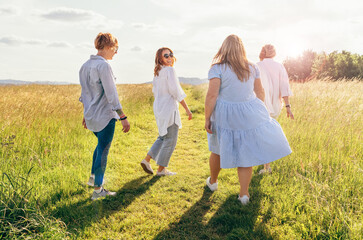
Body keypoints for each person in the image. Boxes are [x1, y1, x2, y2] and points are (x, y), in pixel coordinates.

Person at [204, 35, 292, 205]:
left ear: (224, 48)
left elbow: (212, 95)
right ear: (242, 48)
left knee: (217, 148)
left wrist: (207, 117)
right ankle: (244, 195)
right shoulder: (252, 67)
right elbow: (260, 93)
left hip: (225, 114)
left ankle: (213, 182)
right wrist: (261, 110)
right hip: (249, 111)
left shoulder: (217, 68)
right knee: (246, 153)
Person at [79, 32, 130, 200]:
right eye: (115, 48)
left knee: (99, 147)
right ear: (108, 46)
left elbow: (85, 94)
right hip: (105, 116)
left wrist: (85, 115)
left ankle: (93, 180)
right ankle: (98, 190)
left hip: (91, 115)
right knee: (103, 151)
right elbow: (111, 94)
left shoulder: (85, 66)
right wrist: (122, 116)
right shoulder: (104, 66)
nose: (116, 52)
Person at [140, 47, 192, 176]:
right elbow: (176, 92)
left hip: (159, 108)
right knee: (171, 139)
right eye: (166, 56)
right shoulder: (169, 70)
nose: (169, 58)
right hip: (168, 109)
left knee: (163, 136)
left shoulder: (158, 72)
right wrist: (187, 109)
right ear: (160, 59)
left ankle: (146, 160)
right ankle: (161, 170)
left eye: (171, 55)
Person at [257, 44, 294, 174]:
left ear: (262, 53)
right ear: (274, 53)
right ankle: (266, 165)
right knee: (268, 134)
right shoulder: (280, 67)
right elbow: (284, 88)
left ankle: (265, 166)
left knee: (262, 135)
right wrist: (288, 106)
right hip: (275, 106)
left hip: (259, 106)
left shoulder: (257, 66)